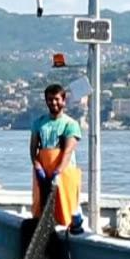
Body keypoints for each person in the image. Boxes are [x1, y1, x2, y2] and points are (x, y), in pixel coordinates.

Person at [29, 83, 83, 230]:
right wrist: (38, 167)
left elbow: (67, 151)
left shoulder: (70, 124)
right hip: (42, 173)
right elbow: (33, 148)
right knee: (40, 209)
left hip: (64, 172)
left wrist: (58, 172)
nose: (53, 102)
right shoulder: (39, 123)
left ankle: (75, 225)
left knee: (67, 208)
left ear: (63, 101)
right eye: (50, 99)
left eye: (57, 99)